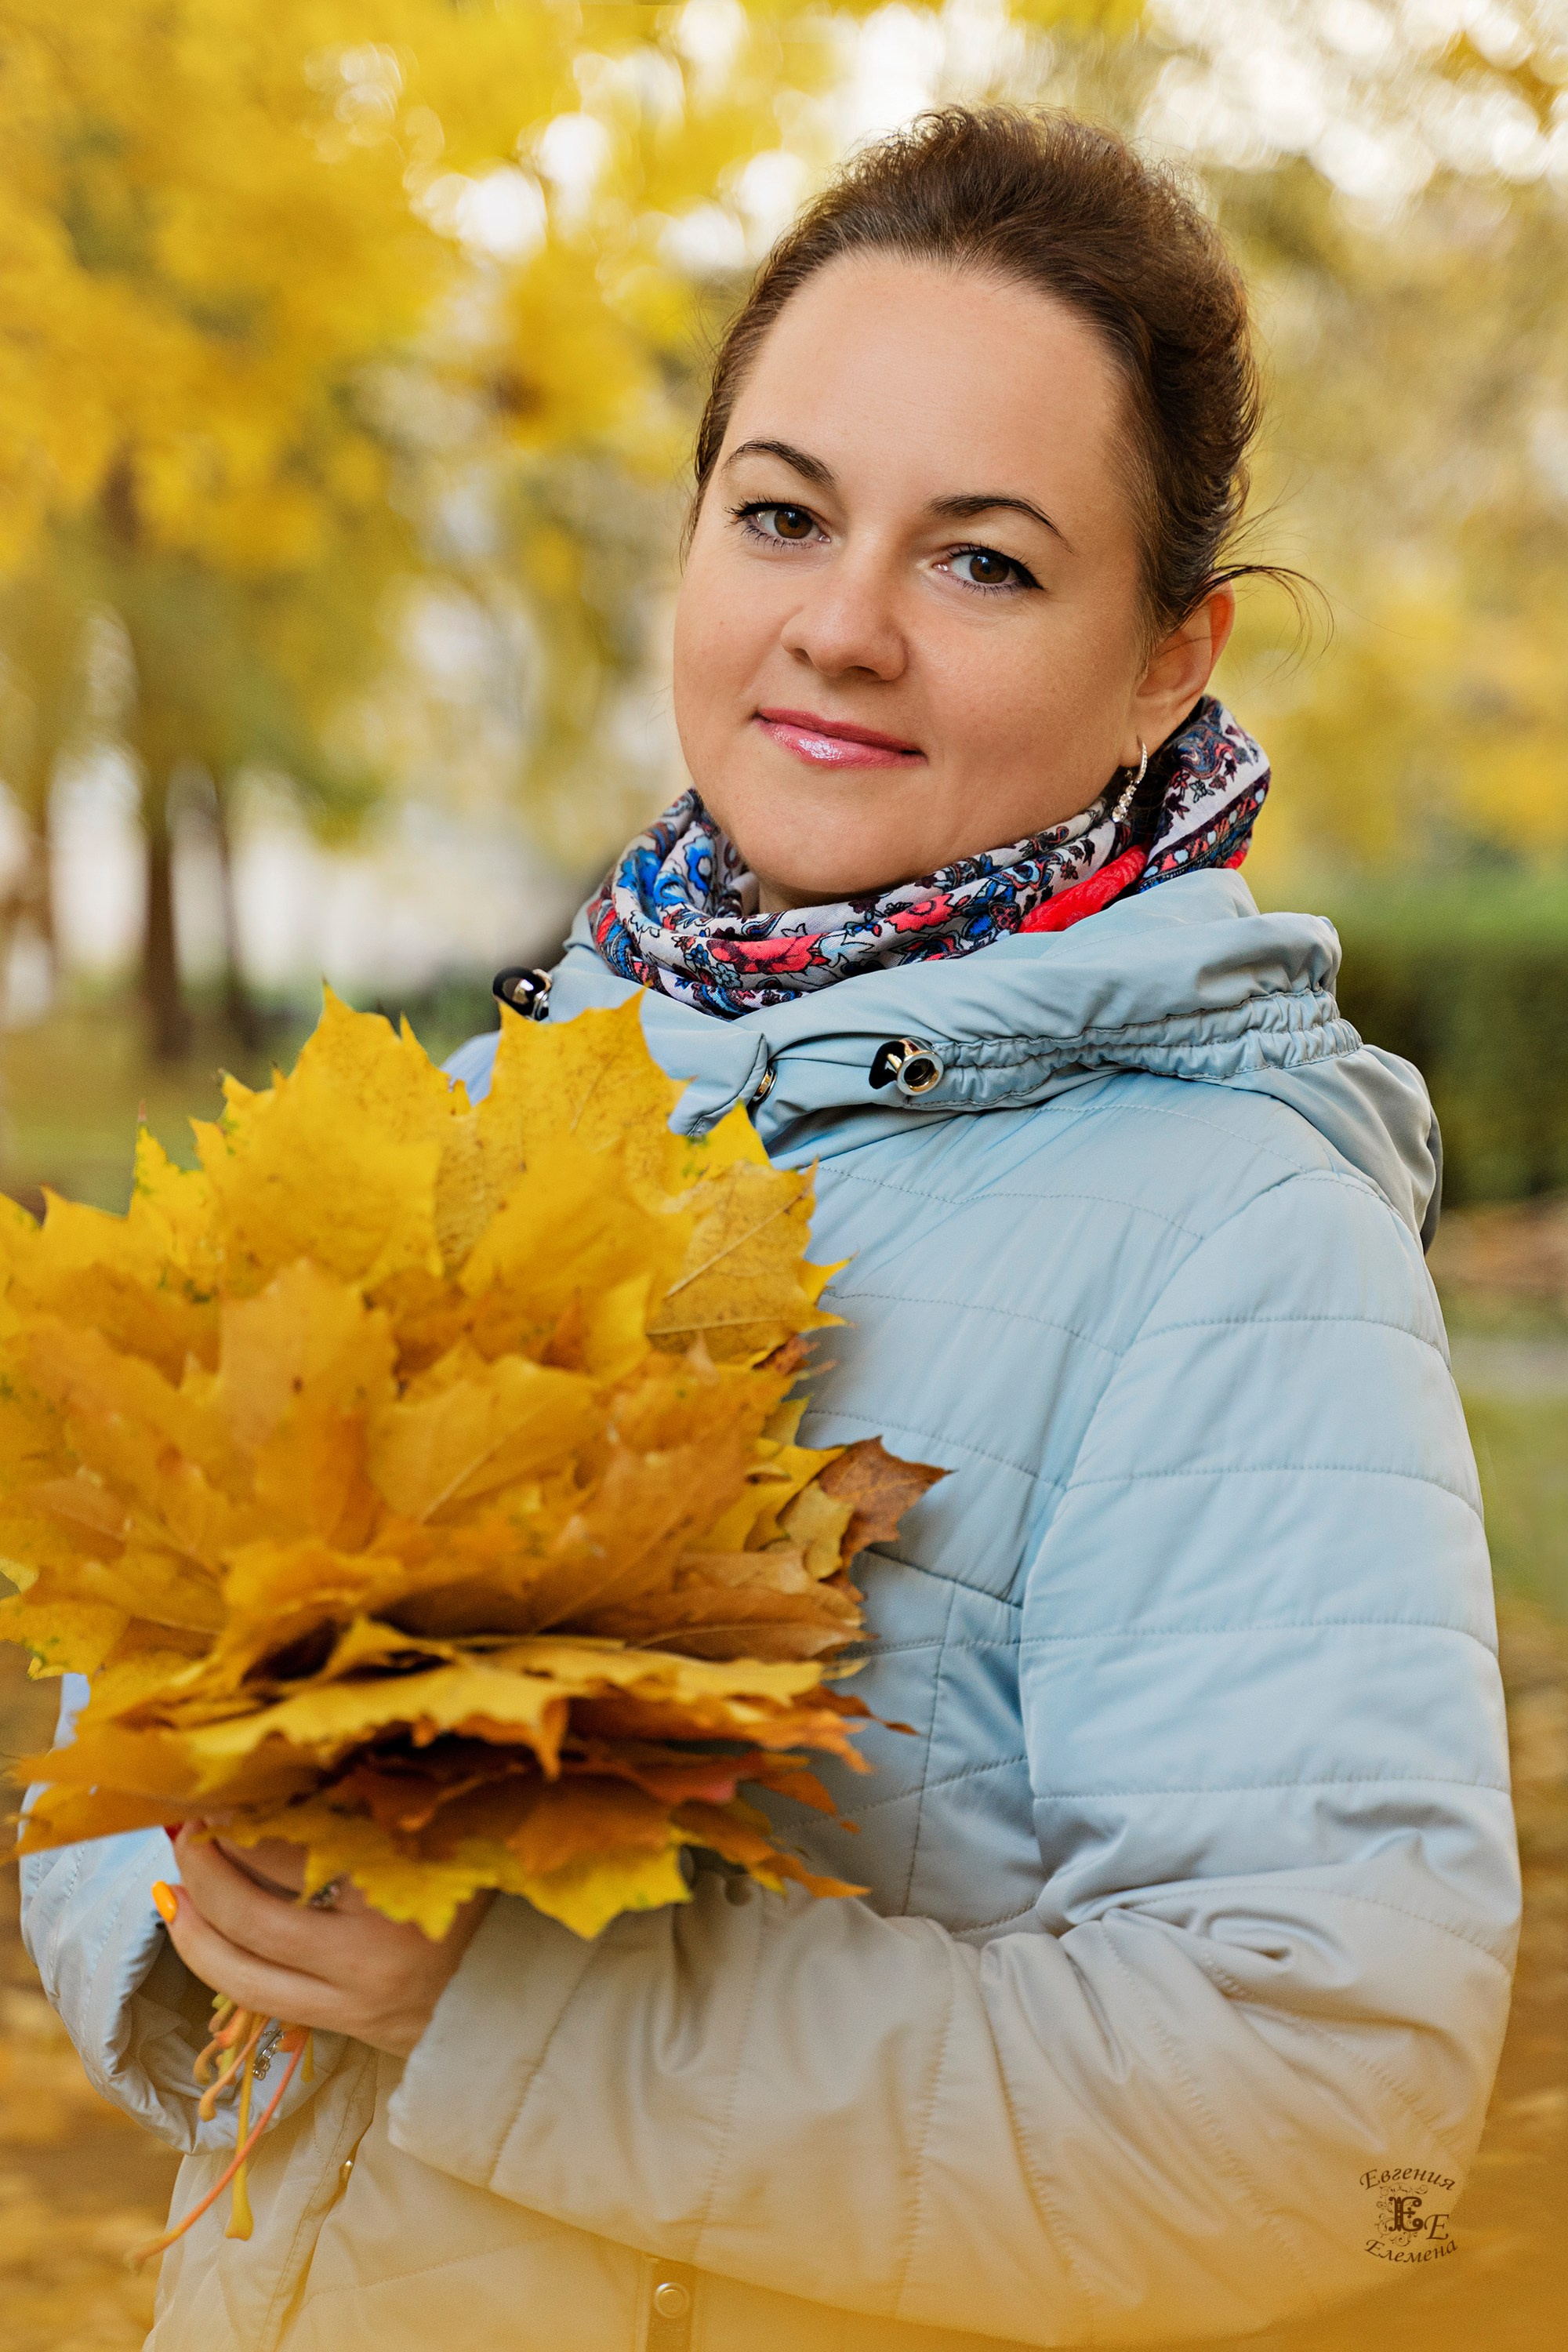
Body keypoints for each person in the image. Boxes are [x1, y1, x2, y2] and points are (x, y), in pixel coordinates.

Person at [24, 107, 1517, 2352]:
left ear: (1167, 658)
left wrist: (518, 2009)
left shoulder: (1235, 1242)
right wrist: (210, 1894)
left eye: (985, 561)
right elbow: (112, 1715)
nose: (840, 626)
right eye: (785, 513)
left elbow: (1338, 2121)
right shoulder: (476, 1112)